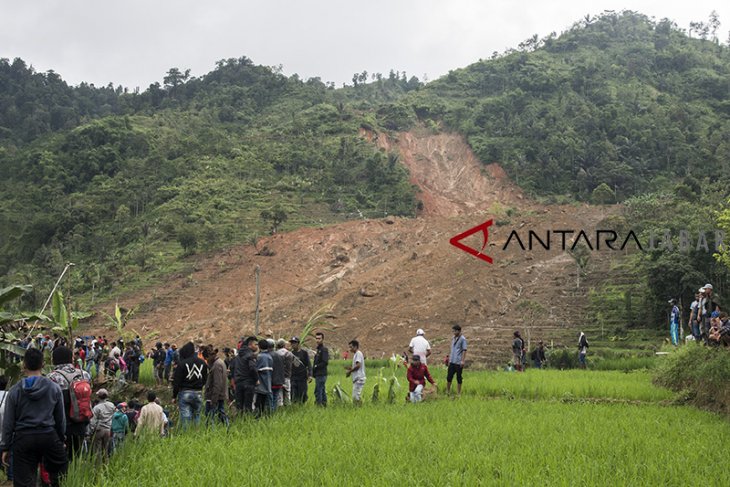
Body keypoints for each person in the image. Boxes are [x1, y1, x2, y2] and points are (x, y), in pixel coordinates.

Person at [0, 349, 67, 487]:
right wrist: (61, 439)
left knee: (24, 481)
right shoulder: (54, 388)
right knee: (59, 477)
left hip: (23, 438)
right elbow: (60, 419)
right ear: (43, 364)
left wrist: (5, 446)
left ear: (24, 365)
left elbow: (8, 422)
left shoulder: (15, 391)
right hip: (48, 436)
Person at [47, 346, 93, 461]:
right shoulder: (84, 375)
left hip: (62, 426)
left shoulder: (52, 378)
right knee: (76, 456)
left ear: (54, 360)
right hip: (81, 422)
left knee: (61, 459)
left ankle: (64, 478)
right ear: (71, 358)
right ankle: (76, 476)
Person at [172, 341, 208, 427]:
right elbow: (205, 379)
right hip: (198, 393)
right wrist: (199, 386)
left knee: (186, 417)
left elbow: (177, 382)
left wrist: (174, 396)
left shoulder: (182, 364)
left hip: (185, 393)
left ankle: (186, 435)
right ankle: (196, 435)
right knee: (197, 416)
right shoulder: (202, 363)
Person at [203, 346, 229, 427]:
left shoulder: (217, 365)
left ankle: (210, 433)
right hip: (220, 395)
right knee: (221, 413)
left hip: (215, 395)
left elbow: (217, 384)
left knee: (210, 416)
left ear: (209, 356)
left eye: (206, 359)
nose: (206, 361)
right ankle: (227, 429)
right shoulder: (219, 362)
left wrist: (213, 400)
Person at [233, 336, 258, 415]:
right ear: (250, 345)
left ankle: (239, 422)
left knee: (239, 405)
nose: (257, 346)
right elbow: (252, 368)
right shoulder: (250, 355)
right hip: (248, 383)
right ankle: (247, 422)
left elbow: (233, 368)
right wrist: (256, 379)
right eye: (255, 344)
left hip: (238, 383)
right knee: (248, 406)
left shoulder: (238, 356)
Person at [89, 389, 115, 462]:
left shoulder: (97, 407)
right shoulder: (111, 405)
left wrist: (90, 431)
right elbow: (113, 414)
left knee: (97, 451)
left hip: (99, 430)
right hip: (108, 430)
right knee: (105, 449)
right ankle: (105, 466)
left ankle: (98, 468)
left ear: (98, 397)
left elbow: (92, 421)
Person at [446, 324, 467, 396]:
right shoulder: (453, 338)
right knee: (449, 377)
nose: (453, 333)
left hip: (458, 362)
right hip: (452, 361)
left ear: (458, 331)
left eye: (454, 331)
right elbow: (451, 349)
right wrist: (449, 359)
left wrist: (462, 360)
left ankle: (459, 393)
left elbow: (464, 350)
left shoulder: (463, 339)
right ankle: (448, 391)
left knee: (459, 377)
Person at [254, 340, 274, 417]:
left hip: (260, 384)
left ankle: (258, 416)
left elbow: (255, 369)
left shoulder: (259, 357)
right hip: (268, 383)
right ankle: (266, 416)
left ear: (259, 347)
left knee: (259, 402)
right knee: (265, 402)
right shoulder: (269, 357)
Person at [290, 337, 311, 404]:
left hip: (302, 377)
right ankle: (294, 407)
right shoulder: (290, 354)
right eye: (292, 343)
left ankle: (301, 406)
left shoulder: (304, 353)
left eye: (294, 343)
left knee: (302, 393)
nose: (293, 344)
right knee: (293, 393)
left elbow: (309, 364)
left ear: (298, 343)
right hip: (293, 377)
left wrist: (310, 375)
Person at [345, 340, 366, 405]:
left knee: (355, 397)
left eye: (351, 347)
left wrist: (350, 372)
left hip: (358, 378)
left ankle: (358, 409)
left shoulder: (358, 354)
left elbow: (358, 366)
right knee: (356, 396)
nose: (350, 349)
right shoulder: (356, 354)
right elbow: (357, 366)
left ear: (355, 346)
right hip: (357, 378)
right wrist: (350, 368)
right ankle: (359, 408)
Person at [275, 339, 295, 407]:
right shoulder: (289, 354)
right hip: (287, 376)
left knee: (279, 394)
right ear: (284, 345)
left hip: (279, 377)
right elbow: (295, 364)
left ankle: (280, 407)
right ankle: (288, 407)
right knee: (287, 393)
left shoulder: (276, 354)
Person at [312, 332, 329, 407]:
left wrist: (316, 366)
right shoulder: (318, 350)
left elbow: (325, 362)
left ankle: (319, 405)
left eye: (319, 338)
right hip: (318, 374)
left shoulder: (323, 350)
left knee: (318, 391)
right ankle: (324, 405)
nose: (317, 340)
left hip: (321, 374)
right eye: (316, 338)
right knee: (321, 390)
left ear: (323, 339)